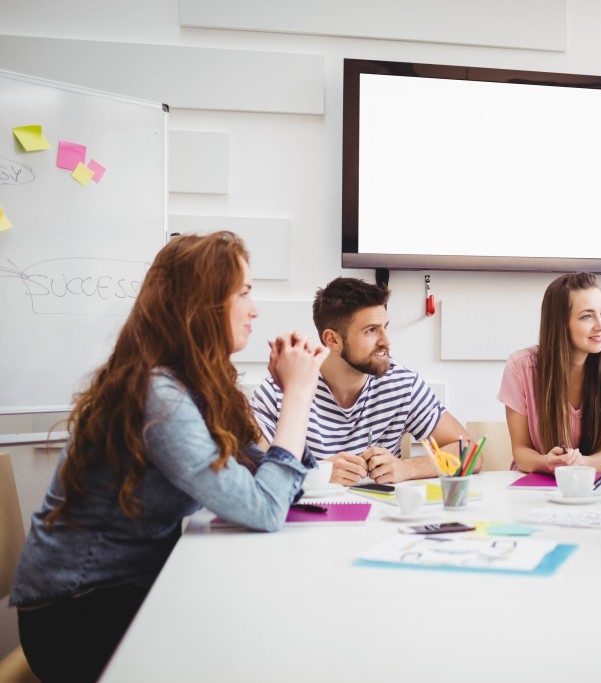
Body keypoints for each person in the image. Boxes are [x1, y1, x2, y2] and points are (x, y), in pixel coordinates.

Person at [10, 232, 327, 682]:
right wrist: (298, 395)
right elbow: (265, 508)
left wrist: (283, 392)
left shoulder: (199, 386)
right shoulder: (158, 395)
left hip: (125, 590)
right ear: (202, 305)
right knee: (248, 647)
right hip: (75, 611)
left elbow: (285, 480)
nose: (255, 309)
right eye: (244, 293)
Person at [251, 277, 473, 485]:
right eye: (371, 331)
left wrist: (407, 468)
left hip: (384, 521)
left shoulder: (402, 383)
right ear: (333, 339)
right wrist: (318, 474)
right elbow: (249, 473)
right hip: (309, 523)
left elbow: (470, 452)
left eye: (385, 327)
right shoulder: (282, 389)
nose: (386, 341)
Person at [498, 272, 601, 473]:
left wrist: (579, 464)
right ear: (560, 323)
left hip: (589, 485)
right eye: (587, 316)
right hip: (534, 486)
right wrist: (547, 462)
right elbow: (521, 451)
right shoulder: (521, 367)